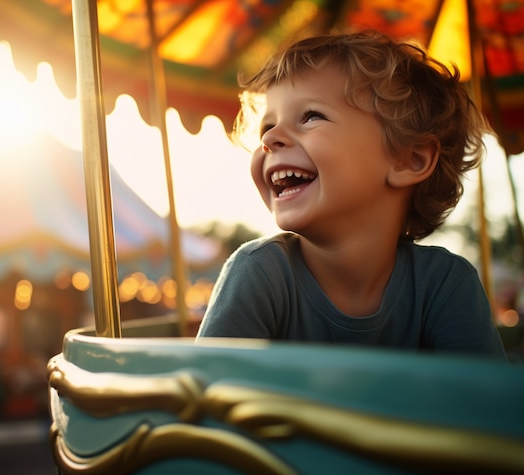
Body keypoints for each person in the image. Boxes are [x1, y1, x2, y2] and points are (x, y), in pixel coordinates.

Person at [196, 30, 506, 358]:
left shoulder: (444, 285)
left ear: (408, 160)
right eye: (267, 126)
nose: (270, 139)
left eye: (311, 116)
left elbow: (484, 404)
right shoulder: (260, 273)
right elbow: (208, 395)